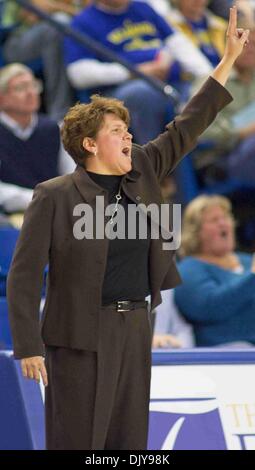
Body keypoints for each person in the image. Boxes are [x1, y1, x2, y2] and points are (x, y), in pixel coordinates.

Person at [7, 7, 248, 450]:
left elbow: (190, 123)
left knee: (129, 443)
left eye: (128, 129)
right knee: (80, 442)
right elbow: (23, 277)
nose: (129, 137)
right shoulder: (53, 195)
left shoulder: (143, 168)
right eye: (118, 131)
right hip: (78, 332)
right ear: (90, 144)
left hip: (136, 324)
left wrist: (227, 60)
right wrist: (27, 346)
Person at [64, 0, 213, 144]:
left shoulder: (143, 8)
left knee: (208, 90)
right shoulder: (83, 22)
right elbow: (78, 74)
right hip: (126, 89)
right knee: (144, 93)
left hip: (169, 81)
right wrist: (134, 72)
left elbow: (177, 43)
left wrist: (208, 75)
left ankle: (207, 149)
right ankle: (156, 160)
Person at [174, 195, 255, 347]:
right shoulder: (189, 268)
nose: (223, 223)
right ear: (195, 231)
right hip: (224, 357)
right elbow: (208, 307)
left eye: (225, 217)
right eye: (214, 220)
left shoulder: (247, 260)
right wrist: (252, 278)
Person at [0, 63, 75, 212]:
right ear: (2, 98)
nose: (30, 93)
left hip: (54, 207)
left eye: (33, 86)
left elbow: (72, 174)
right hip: (10, 213)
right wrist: (36, 198)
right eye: (20, 88)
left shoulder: (54, 128)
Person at [193, 24, 255, 185]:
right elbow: (198, 130)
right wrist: (244, 132)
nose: (250, 49)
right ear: (227, 47)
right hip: (221, 158)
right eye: (244, 43)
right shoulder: (211, 81)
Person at [1, 0, 75, 121]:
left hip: (59, 31)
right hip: (13, 40)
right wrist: (71, 12)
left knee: (64, 24)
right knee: (57, 24)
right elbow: (37, 8)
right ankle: (61, 114)